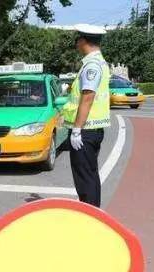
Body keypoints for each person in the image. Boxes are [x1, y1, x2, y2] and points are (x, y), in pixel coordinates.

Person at [61, 24, 111, 208]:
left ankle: (90, 215)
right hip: (92, 129)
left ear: (83, 41)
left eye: (78, 40)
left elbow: (88, 97)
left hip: (85, 130)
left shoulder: (92, 65)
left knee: (84, 178)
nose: (76, 44)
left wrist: (76, 130)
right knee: (90, 175)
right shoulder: (99, 63)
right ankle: (93, 211)